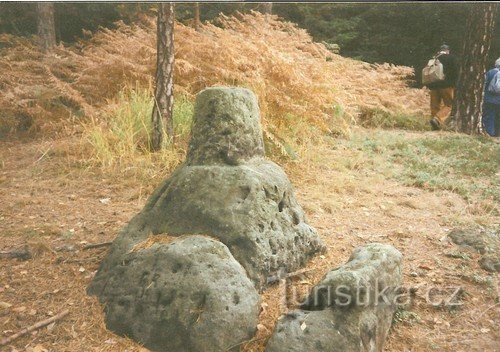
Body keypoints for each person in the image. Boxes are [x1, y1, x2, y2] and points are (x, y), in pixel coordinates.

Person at [425, 44, 459, 130]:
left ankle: (434, 127)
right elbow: (456, 72)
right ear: (448, 51)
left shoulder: (434, 58)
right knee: (449, 105)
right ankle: (437, 119)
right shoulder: (452, 58)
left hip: (433, 85)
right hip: (446, 85)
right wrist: (455, 84)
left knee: (435, 105)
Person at [482, 58, 500, 137]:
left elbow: (484, 85)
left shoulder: (491, 72)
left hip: (489, 99)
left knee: (489, 116)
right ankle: (498, 134)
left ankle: (489, 133)